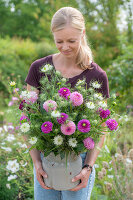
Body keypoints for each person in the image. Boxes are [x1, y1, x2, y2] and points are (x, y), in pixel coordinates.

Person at [25, 7, 109, 200]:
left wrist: (88, 167)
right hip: (46, 162)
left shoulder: (96, 75)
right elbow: (28, 121)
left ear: (83, 34)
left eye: (71, 41)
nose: (65, 47)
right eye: (59, 41)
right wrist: (36, 163)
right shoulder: (38, 69)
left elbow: (102, 127)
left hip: (79, 163)